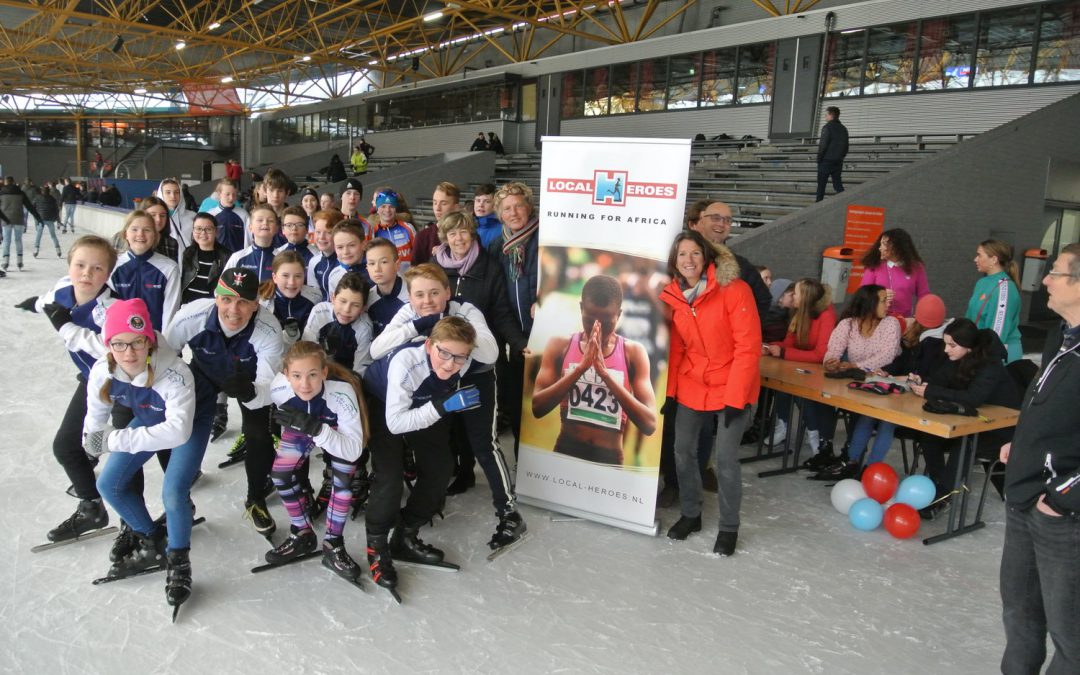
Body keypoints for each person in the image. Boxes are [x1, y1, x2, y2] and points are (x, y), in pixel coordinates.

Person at [998, 243, 1080, 674]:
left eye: (1057, 273)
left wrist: (1061, 498)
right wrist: (1023, 443)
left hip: (1063, 516)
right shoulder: (1060, 337)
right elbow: (1048, 408)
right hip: (1025, 495)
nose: (1044, 279)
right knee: (1021, 619)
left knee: (1071, 639)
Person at [88, 298, 198, 615]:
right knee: (109, 485)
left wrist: (115, 440)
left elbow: (178, 432)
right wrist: (94, 442)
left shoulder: (175, 372)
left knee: (174, 493)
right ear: (109, 345)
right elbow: (93, 424)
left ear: (149, 340)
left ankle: (180, 561)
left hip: (191, 423)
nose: (129, 353)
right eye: (119, 344)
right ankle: (152, 541)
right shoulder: (102, 371)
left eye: (137, 343)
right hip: (151, 419)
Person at [362, 316, 483, 590]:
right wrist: (441, 408)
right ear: (430, 345)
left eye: (460, 357)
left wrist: (440, 407)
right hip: (383, 403)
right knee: (389, 476)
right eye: (444, 353)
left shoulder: (462, 364)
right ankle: (377, 544)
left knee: (440, 467)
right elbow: (396, 424)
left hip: (426, 402)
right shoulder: (407, 364)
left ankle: (405, 534)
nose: (450, 363)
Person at [659, 230, 760, 556]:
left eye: (695, 254)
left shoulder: (734, 290)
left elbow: (748, 348)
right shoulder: (674, 296)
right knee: (683, 451)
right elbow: (677, 349)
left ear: (706, 258)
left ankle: (729, 527)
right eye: (682, 255)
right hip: (693, 383)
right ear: (675, 261)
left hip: (732, 383)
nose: (688, 261)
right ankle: (691, 513)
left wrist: (736, 398)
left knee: (727, 460)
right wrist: (671, 392)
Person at [164, 267, 284, 538]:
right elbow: (166, 358)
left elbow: (269, 388)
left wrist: (251, 391)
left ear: (256, 304)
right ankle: (180, 488)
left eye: (243, 301)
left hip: (249, 379)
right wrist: (179, 387)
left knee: (259, 434)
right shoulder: (190, 316)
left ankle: (256, 498)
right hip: (203, 374)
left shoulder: (268, 329)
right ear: (216, 297)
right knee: (175, 426)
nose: (233, 309)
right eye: (227, 299)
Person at [430, 211, 528, 496]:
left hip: (479, 358)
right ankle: (463, 472)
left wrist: (519, 342)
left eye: (463, 232)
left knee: (479, 425)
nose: (458, 238)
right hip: (445, 359)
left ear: (472, 233)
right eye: (452, 233)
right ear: (444, 238)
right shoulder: (436, 267)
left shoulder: (489, 267)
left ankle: (500, 487)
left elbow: (500, 312)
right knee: (453, 421)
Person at [29, 236, 117, 543]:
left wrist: (66, 327)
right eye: (80, 265)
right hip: (90, 380)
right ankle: (91, 506)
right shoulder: (66, 287)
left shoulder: (111, 309)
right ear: (69, 266)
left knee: (123, 457)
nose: (86, 274)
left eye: (97, 268)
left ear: (108, 274)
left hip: (123, 386)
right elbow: (50, 299)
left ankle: (139, 525)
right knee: (67, 447)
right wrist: (37, 305)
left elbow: (110, 352)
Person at [264, 341, 368, 581]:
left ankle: (333, 543)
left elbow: (353, 450)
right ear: (286, 375)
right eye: (297, 376)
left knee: (342, 486)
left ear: (324, 372)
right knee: (281, 474)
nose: (304, 384)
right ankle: (301, 532)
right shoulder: (279, 390)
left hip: (336, 431)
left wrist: (317, 429)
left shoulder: (342, 393)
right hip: (303, 425)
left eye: (312, 375)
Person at [532, 274, 658, 466]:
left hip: (610, 458)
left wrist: (605, 375)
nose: (597, 329)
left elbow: (649, 425)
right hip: (567, 449)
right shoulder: (560, 345)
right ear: (581, 308)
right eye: (589, 320)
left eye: (607, 322)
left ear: (619, 314)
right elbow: (537, 408)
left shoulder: (633, 352)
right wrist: (580, 369)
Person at [906, 319, 1020, 513]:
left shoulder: (990, 364)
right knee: (929, 435)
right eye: (945, 343)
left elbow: (973, 398)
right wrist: (922, 381)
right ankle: (940, 485)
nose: (946, 350)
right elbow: (940, 381)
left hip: (1001, 429)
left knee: (965, 443)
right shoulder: (956, 358)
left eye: (952, 345)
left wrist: (931, 391)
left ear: (968, 347)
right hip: (973, 420)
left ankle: (943, 494)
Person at [810, 284, 902, 480]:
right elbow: (832, 352)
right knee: (831, 402)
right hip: (858, 384)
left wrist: (854, 366)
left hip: (886, 386)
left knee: (879, 418)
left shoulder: (890, 324)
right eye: (884, 300)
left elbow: (887, 356)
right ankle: (846, 460)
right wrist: (832, 362)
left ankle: (867, 468)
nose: (888, 303)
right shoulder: (847, 325)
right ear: (870, 303)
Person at [486, 182, 540, 448]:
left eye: (519, 205)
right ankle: (524, 460)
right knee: (518, 404)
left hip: (544, 335)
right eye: (507, 208)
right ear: (500, 214)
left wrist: (547, 301)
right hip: (514, 341)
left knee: (543, 404)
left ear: (529, 207)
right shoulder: (497, 247)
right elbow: (495, 296)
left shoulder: (547, 239)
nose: (514, 212)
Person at [763, 278, 836, 463]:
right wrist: (770, 347)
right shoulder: (798, 313)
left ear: (806, 297)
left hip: (819, 370)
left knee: (802, 393)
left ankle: (814, 434)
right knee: (781, 382)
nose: (792, 296)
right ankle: (783, 425)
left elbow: (820, 355)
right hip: (799, 365)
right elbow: (788, 343)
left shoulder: (826, 314)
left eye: (795, 292)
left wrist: (784, 352)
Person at [685, 200, 771, 322]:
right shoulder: (679, 258)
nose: (721, 224)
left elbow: (763, 299)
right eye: (715, 218)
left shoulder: (741, 265)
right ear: (701, 222)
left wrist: (741, 326)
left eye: (727, 220)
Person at [109, 210, 181, 332]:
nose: (140, 234)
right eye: (134, 229)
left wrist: (163, 345)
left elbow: (170, 312)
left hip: (156, 341)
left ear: (155, 235)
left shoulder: (169, 268)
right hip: (123, 340)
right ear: (125, 234)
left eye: (147, 230)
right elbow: (108, 309)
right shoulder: (112, 266)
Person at [966, 239, 1023, 363]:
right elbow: (970, 318)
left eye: (979, 255)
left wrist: (981, 358)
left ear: (994, 260)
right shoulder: (982, 282)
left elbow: (997, 334)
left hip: (998, 356)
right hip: (980, 350)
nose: (975, 259)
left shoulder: (1005, 288)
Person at [859, 228, 929, 317]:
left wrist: (922, 315)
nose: (880, 248)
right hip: (877, 319)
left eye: (884, 244)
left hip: (904, 320)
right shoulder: (873, 266)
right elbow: (863, 293)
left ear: (897, 247)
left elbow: (924, 295)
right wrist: (879, 294)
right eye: (880, 244)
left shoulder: (917, 267)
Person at [259, 251, 322, 346]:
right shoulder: (262, 302)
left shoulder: (315, 297)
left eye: (298, 276)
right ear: (274, 277)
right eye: (285, 276)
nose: (292, 282)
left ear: (304, 276)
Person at [180, 212, 230, 305]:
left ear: (216, 232)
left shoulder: (226, 256)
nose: (203, 233)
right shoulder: (187, 253)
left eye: (208, 229)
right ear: (193, 231)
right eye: (198, 229)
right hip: (186, 308)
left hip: (211, 309)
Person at [225, 204, 279, 281]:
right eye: (260, 220)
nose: (265, 223)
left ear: (276, 228)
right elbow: (220, 291)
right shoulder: (237, 258)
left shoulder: (283, 258)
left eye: (270, 221)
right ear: (250, 227)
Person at [412, 182, 459, 266]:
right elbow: (415, 270)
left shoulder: (467, 235)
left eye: (443, 203)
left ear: (456, 207)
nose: (437, 208)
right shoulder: (422, 237)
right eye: (435, 203)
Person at [1, 176, 42, 271]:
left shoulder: (1, 193)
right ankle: (20, 261)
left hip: (5, 220)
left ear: (5, 183)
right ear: (14, 182)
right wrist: (38, 217)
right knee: (18, 240)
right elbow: (30, 207)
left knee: (6, 241)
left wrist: (4, 219)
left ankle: (5, 262)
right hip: (18, 219)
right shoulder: (21, 193)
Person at [368, 189, 416, 268]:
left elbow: (418, 253)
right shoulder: (373, 233)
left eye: (391, 206)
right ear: (377, 209)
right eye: (383, 206)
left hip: (408, 277)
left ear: (395, 209)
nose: (387, 210)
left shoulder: (408, 228)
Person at [307, 209, 343, 300]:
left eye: (328, 232)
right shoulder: (314, 262)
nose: (321, 237)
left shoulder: (346, 261)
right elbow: (314, 296)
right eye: (318, 232)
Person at [208, 178, 250, 254]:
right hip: (216, 259)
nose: (231, 198)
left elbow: (248, 241)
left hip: (237, 260)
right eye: (227, 194)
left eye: (234, 194)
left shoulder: (243, 214)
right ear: (219, 193)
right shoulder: (211, 215)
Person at [816, 105, 849, 202]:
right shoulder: (843, 128)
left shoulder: (827, 127)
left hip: (826, 161)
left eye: (826, 115)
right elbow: (846, 146)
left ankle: (817, 207)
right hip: (838, 161)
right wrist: (841, 157)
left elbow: (823, 145)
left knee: (821, 186)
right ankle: (845, 202)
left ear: (831, 115)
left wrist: (819, 159)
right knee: (838, 185)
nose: (825, 117)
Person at [32, 185, 63, 259]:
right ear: (49, 191)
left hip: (40, 219)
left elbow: (32, 207)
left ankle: (36, 250)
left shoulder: (37, 198)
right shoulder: (52, 199)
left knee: (39, 235)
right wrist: (58, 220)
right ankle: (58, 250)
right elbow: (56, 210)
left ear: (42, 191)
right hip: (50, 219)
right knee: (53, 235)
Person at [472, 183, 501, 248]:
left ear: (495, 205)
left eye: (487, 201)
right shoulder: (466, 225)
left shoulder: (503, 229)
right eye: (478, 201)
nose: (481, 205)